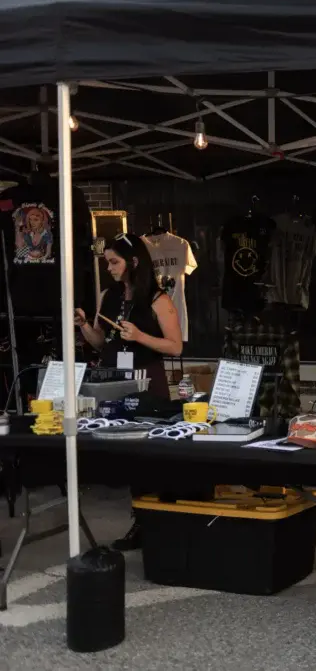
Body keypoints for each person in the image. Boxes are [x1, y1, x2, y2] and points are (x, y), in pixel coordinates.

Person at [74, 232, 183, 550]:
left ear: (134, 262)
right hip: (115, 380)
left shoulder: (157, 299)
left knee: (149, 455)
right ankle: (140, 518)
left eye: (114, 262)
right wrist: (84, 325)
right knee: (128, 457)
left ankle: (154, 521)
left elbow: (175, 346)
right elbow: (100, 342)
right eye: (107, 262)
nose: (108, 268)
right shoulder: (108, 295)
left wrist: (139, 336)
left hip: (147, 379)